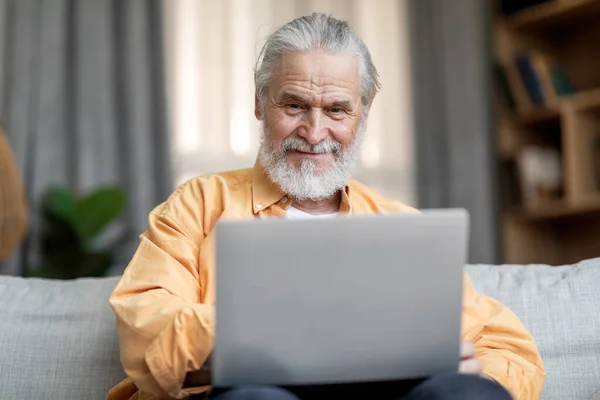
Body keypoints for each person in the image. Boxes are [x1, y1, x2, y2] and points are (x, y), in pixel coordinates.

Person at [107, 13, 545, 400]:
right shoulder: (198, 205)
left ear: (364, 115)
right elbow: (145, 325)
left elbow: (511, 348)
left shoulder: (399, 226)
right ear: (260, 104)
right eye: (294, 105)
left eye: (337, 110)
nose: (314, 133)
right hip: (248, 389)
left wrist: (476, 367)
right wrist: (252, 329)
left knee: (464, 392)